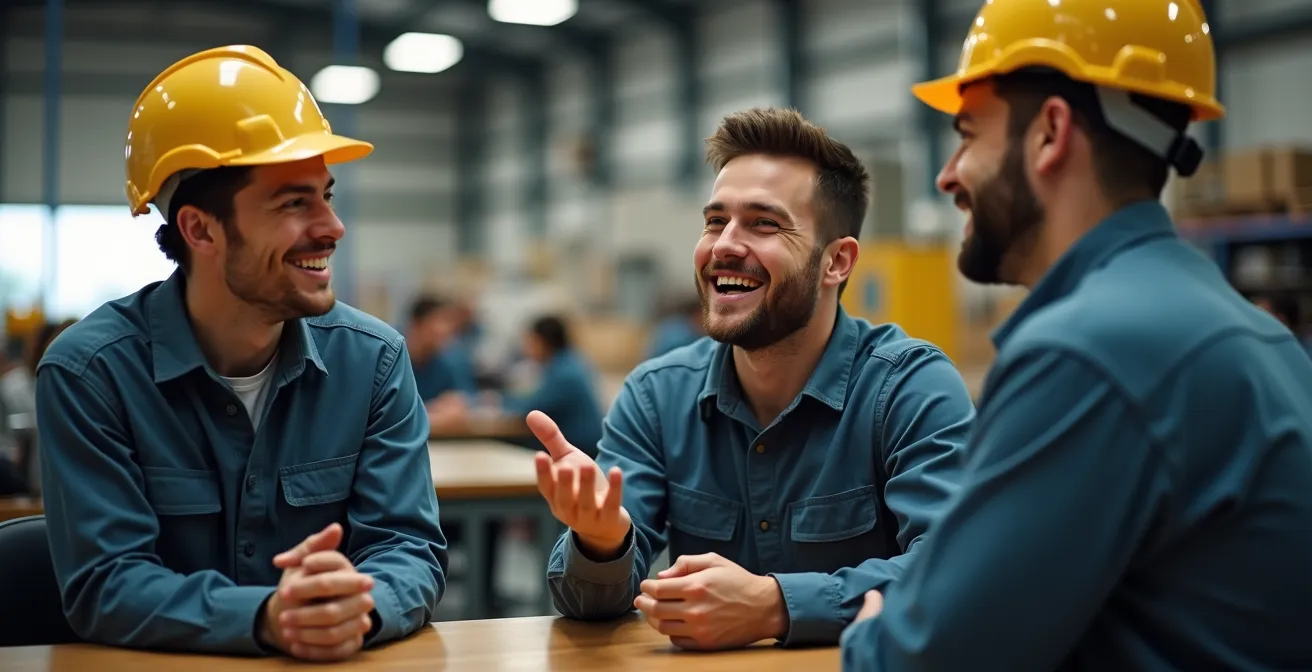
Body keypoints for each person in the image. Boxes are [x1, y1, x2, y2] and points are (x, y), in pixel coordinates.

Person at [840, 2, 1312, 670]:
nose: (947, 175)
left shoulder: (1090, 352)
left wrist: (873, 629)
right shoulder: (1256, 332)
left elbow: (926, 660)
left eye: (969, 135)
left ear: (1050, 133)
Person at [35, 45, 448, 661]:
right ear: (201, 229)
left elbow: (407, 548)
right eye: (293, 203)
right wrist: (266, 618)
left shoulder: (373, 362)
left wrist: (356, 606)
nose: (333, 227)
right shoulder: (90, 376)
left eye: (326, 195)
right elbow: (106, 583)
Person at [531, 107, 976, 650]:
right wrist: (602, 542)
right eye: (716, 221)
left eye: (764, 223)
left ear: (837, 262)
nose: (723, 244)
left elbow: (958, 573)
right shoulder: (656, 395)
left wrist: (774, 605)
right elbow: (587, 605)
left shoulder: (908, 388)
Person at [496, 315, 604, 457]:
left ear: (542, 342)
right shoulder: (568, 362)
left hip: (581, 448)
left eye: (531, 341)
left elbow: (532, 409)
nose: (526, 348)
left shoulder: (565, 373)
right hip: (578, 444)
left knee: (507, 445)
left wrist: (497, 400)